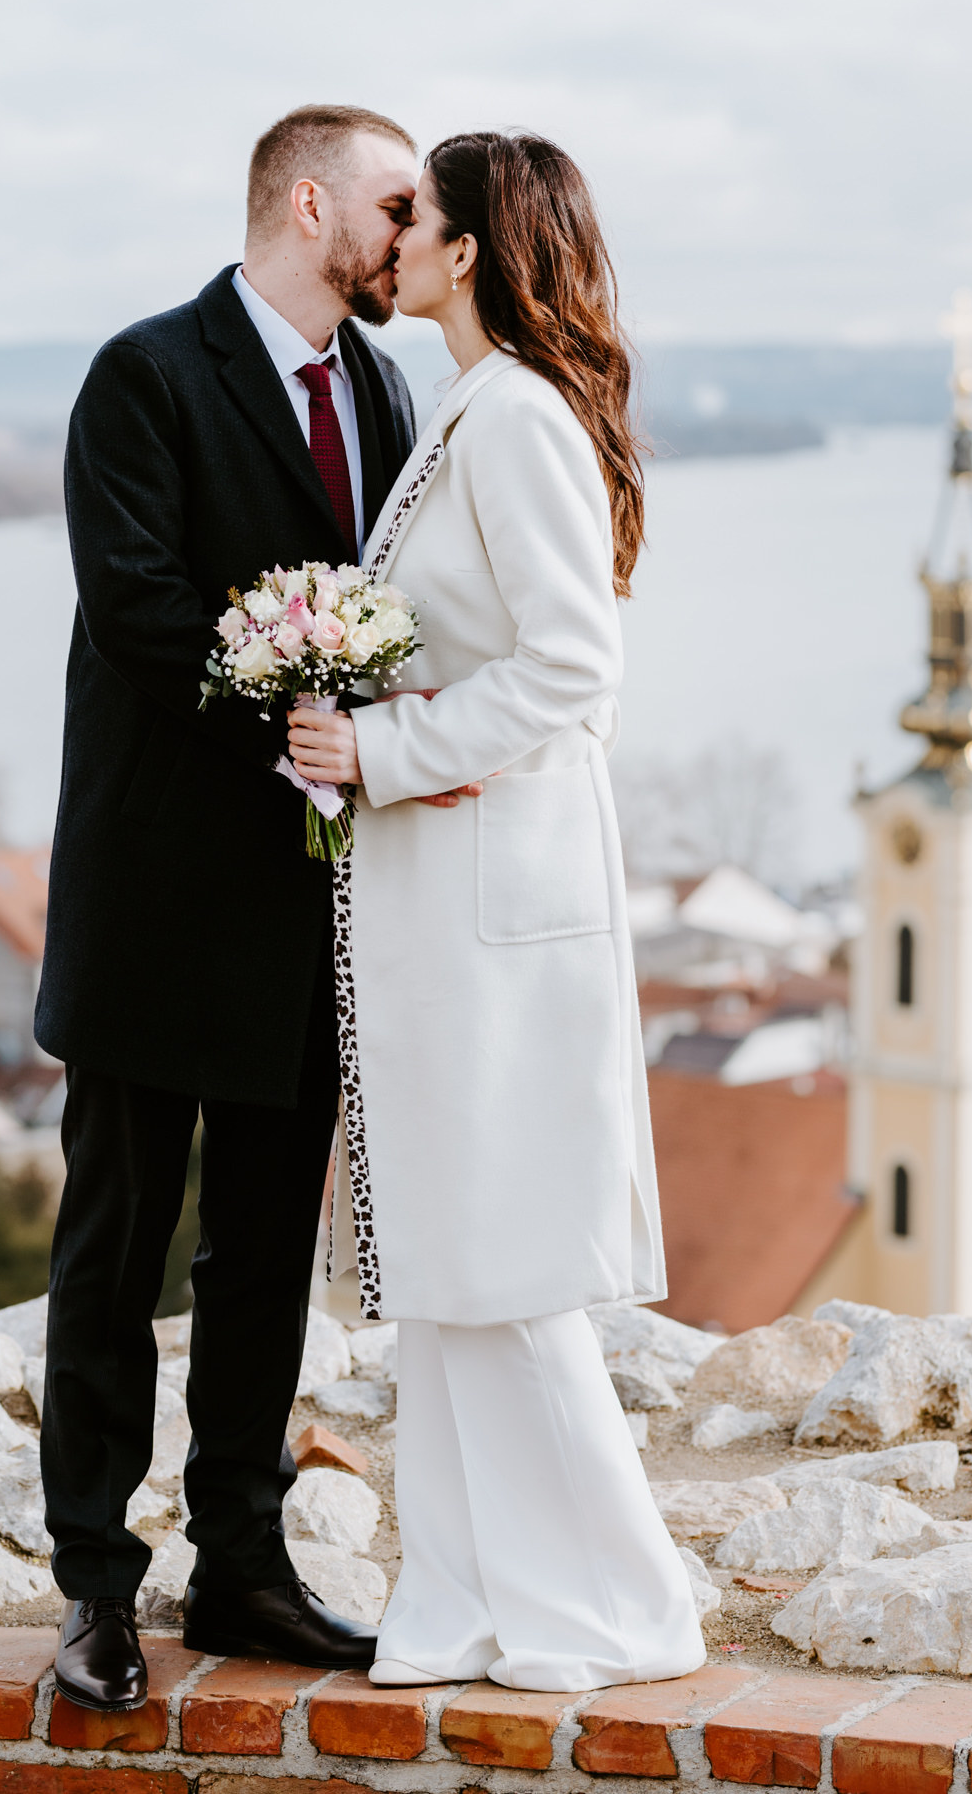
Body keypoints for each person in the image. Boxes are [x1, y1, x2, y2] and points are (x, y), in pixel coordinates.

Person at [287, 131, 704, 1692]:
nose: (389, 238)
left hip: (493, 908)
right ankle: (460, 1597)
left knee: (508, 1264)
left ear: (464, 253)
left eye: (417, 217)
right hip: (434, 898)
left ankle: (618, 1602)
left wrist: (382, 746)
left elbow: (572, 664)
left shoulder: (515, 414)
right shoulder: (465, 410)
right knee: (456, 1266)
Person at [34, 104, 418, 1712]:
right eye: (400, 203)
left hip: (303, 901)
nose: (420, 231)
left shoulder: (388, 387)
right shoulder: (146, 372)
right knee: (116, 1246)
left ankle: (242, 1571)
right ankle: (95, 1591)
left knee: (265, 1253)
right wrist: (303, 698)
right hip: (150, 891)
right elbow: (134, 606)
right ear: (309, 201)